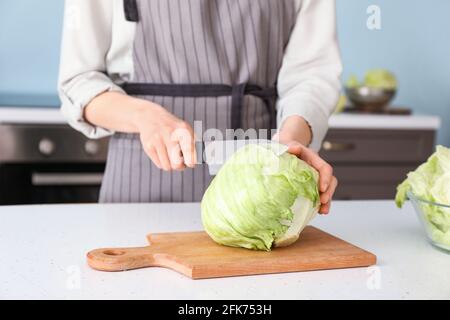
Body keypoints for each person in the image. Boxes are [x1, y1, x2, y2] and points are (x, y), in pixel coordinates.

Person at [58, 0, 342, 214]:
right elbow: (78, 81)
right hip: (139, 190)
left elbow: (312, 74)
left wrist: (292, 140)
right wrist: (145, 117)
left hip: (262, 187)